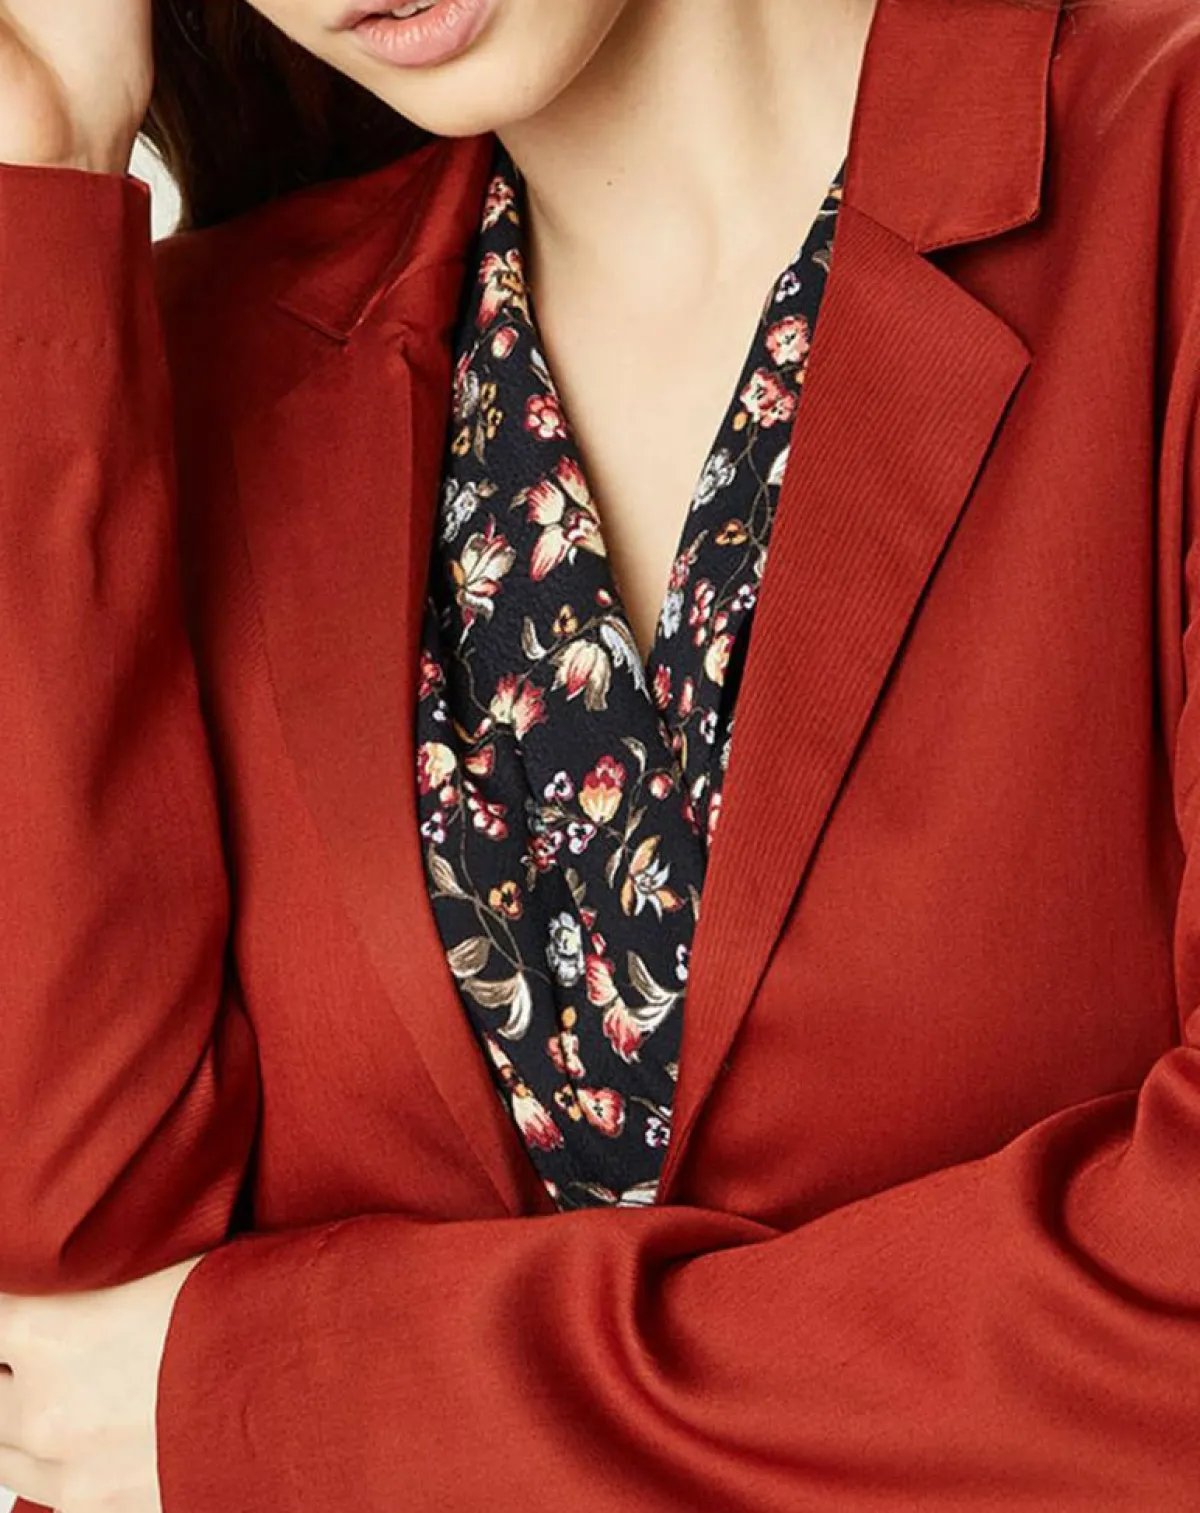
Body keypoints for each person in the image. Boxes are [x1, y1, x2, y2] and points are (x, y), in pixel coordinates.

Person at [1, 0, 1199, 1506]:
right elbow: (63, 1339)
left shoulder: (1162, 180)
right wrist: (44, 158)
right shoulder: (182, 379)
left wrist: (331, 1405)